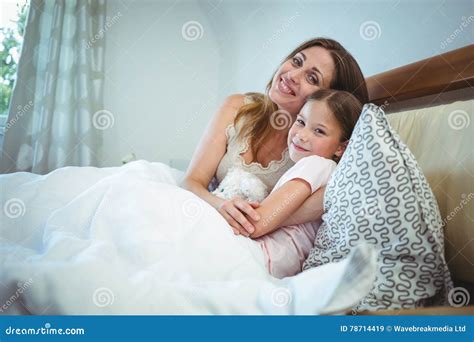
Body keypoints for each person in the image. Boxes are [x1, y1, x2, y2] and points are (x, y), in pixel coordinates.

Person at [182, 38, 368, 236]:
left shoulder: (316, 159)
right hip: (211, 212)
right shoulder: (237, 107)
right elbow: (192, 182)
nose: (292, 75)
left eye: (312, 78)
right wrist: (220, 206)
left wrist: (244, 218)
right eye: (296, 61)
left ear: (330, 99)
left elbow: (267, 221)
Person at [215, 89, 362, 277]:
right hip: (269, 258)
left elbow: (257, 224)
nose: (301, 135)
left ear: (341, 147)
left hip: (262, 256)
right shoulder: (327, 172)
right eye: (301, 122)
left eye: (319, 131)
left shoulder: (316, 164)